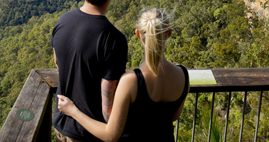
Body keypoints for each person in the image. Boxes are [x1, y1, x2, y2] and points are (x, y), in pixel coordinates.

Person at [57, 8, 189, 142]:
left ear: (138, 34)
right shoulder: (183, 76)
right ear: (169, 33)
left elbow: (111, 136)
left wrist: (73, 111)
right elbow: (174, 116)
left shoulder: (131, 81)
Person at [51, 0, 128, 142]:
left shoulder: (62, 22)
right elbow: (107, 111)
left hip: (61, 124)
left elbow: (57, 61)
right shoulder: (113, 39)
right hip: (89, 133)